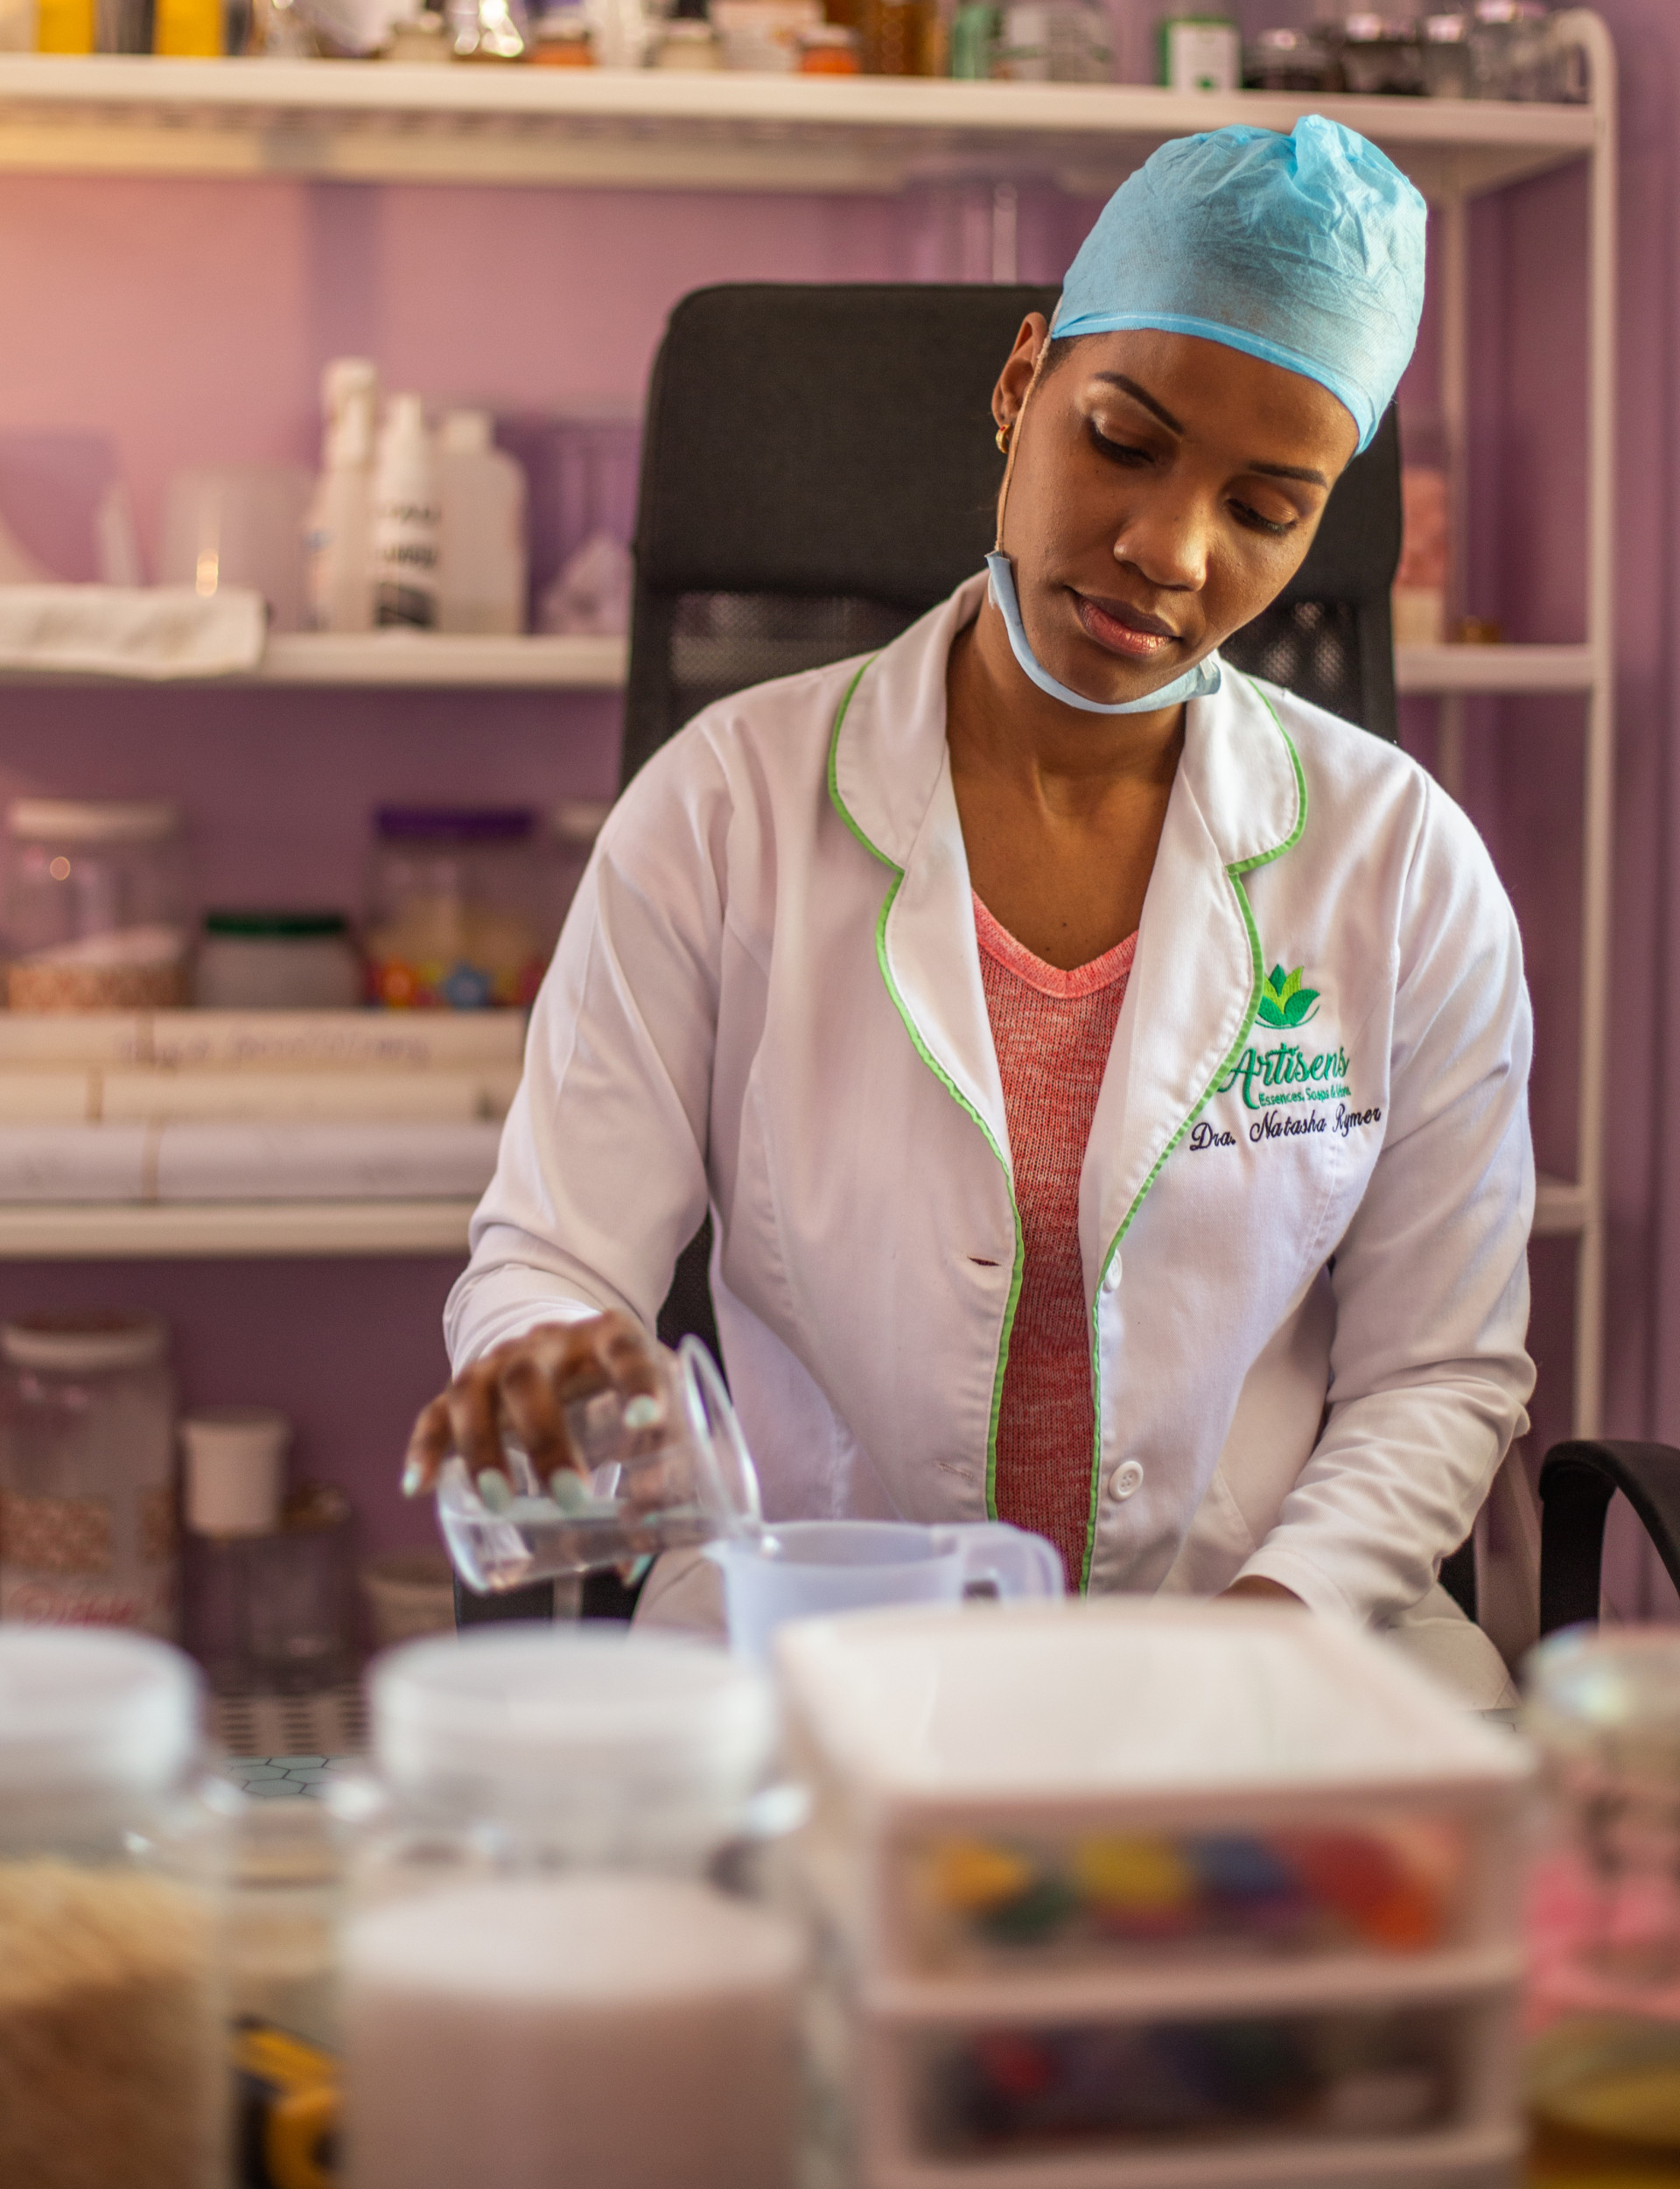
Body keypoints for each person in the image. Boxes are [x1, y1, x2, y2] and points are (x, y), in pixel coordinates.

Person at [404, 116, 1534, 1689]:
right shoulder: (721, 810)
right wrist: (546, 1364)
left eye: (1265, 510)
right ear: (1021, 383)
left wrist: (1255, 1647)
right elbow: (554, 1256)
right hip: (818, 1643)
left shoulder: (1403, 866)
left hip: (1272, 1652)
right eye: (1122, 441)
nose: (1168, 549)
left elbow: (1440, 1374)